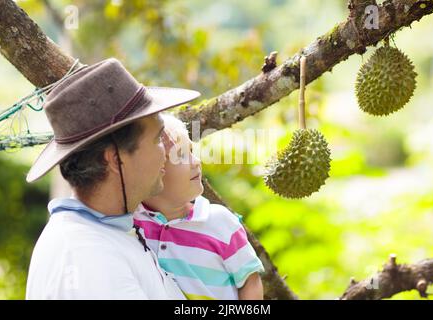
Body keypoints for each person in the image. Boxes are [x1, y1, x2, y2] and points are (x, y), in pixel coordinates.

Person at [25, 58, 200, 299]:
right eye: (158, 138)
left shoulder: (108, 231)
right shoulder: (89, 259)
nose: (166, 150)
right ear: (115, 160)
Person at [133, 114, 265, 300]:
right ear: (151, 171)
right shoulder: (133, 219)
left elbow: (250, 281)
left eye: (191, 151)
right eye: (181, 155)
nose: (196, 162)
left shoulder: (220, 222)